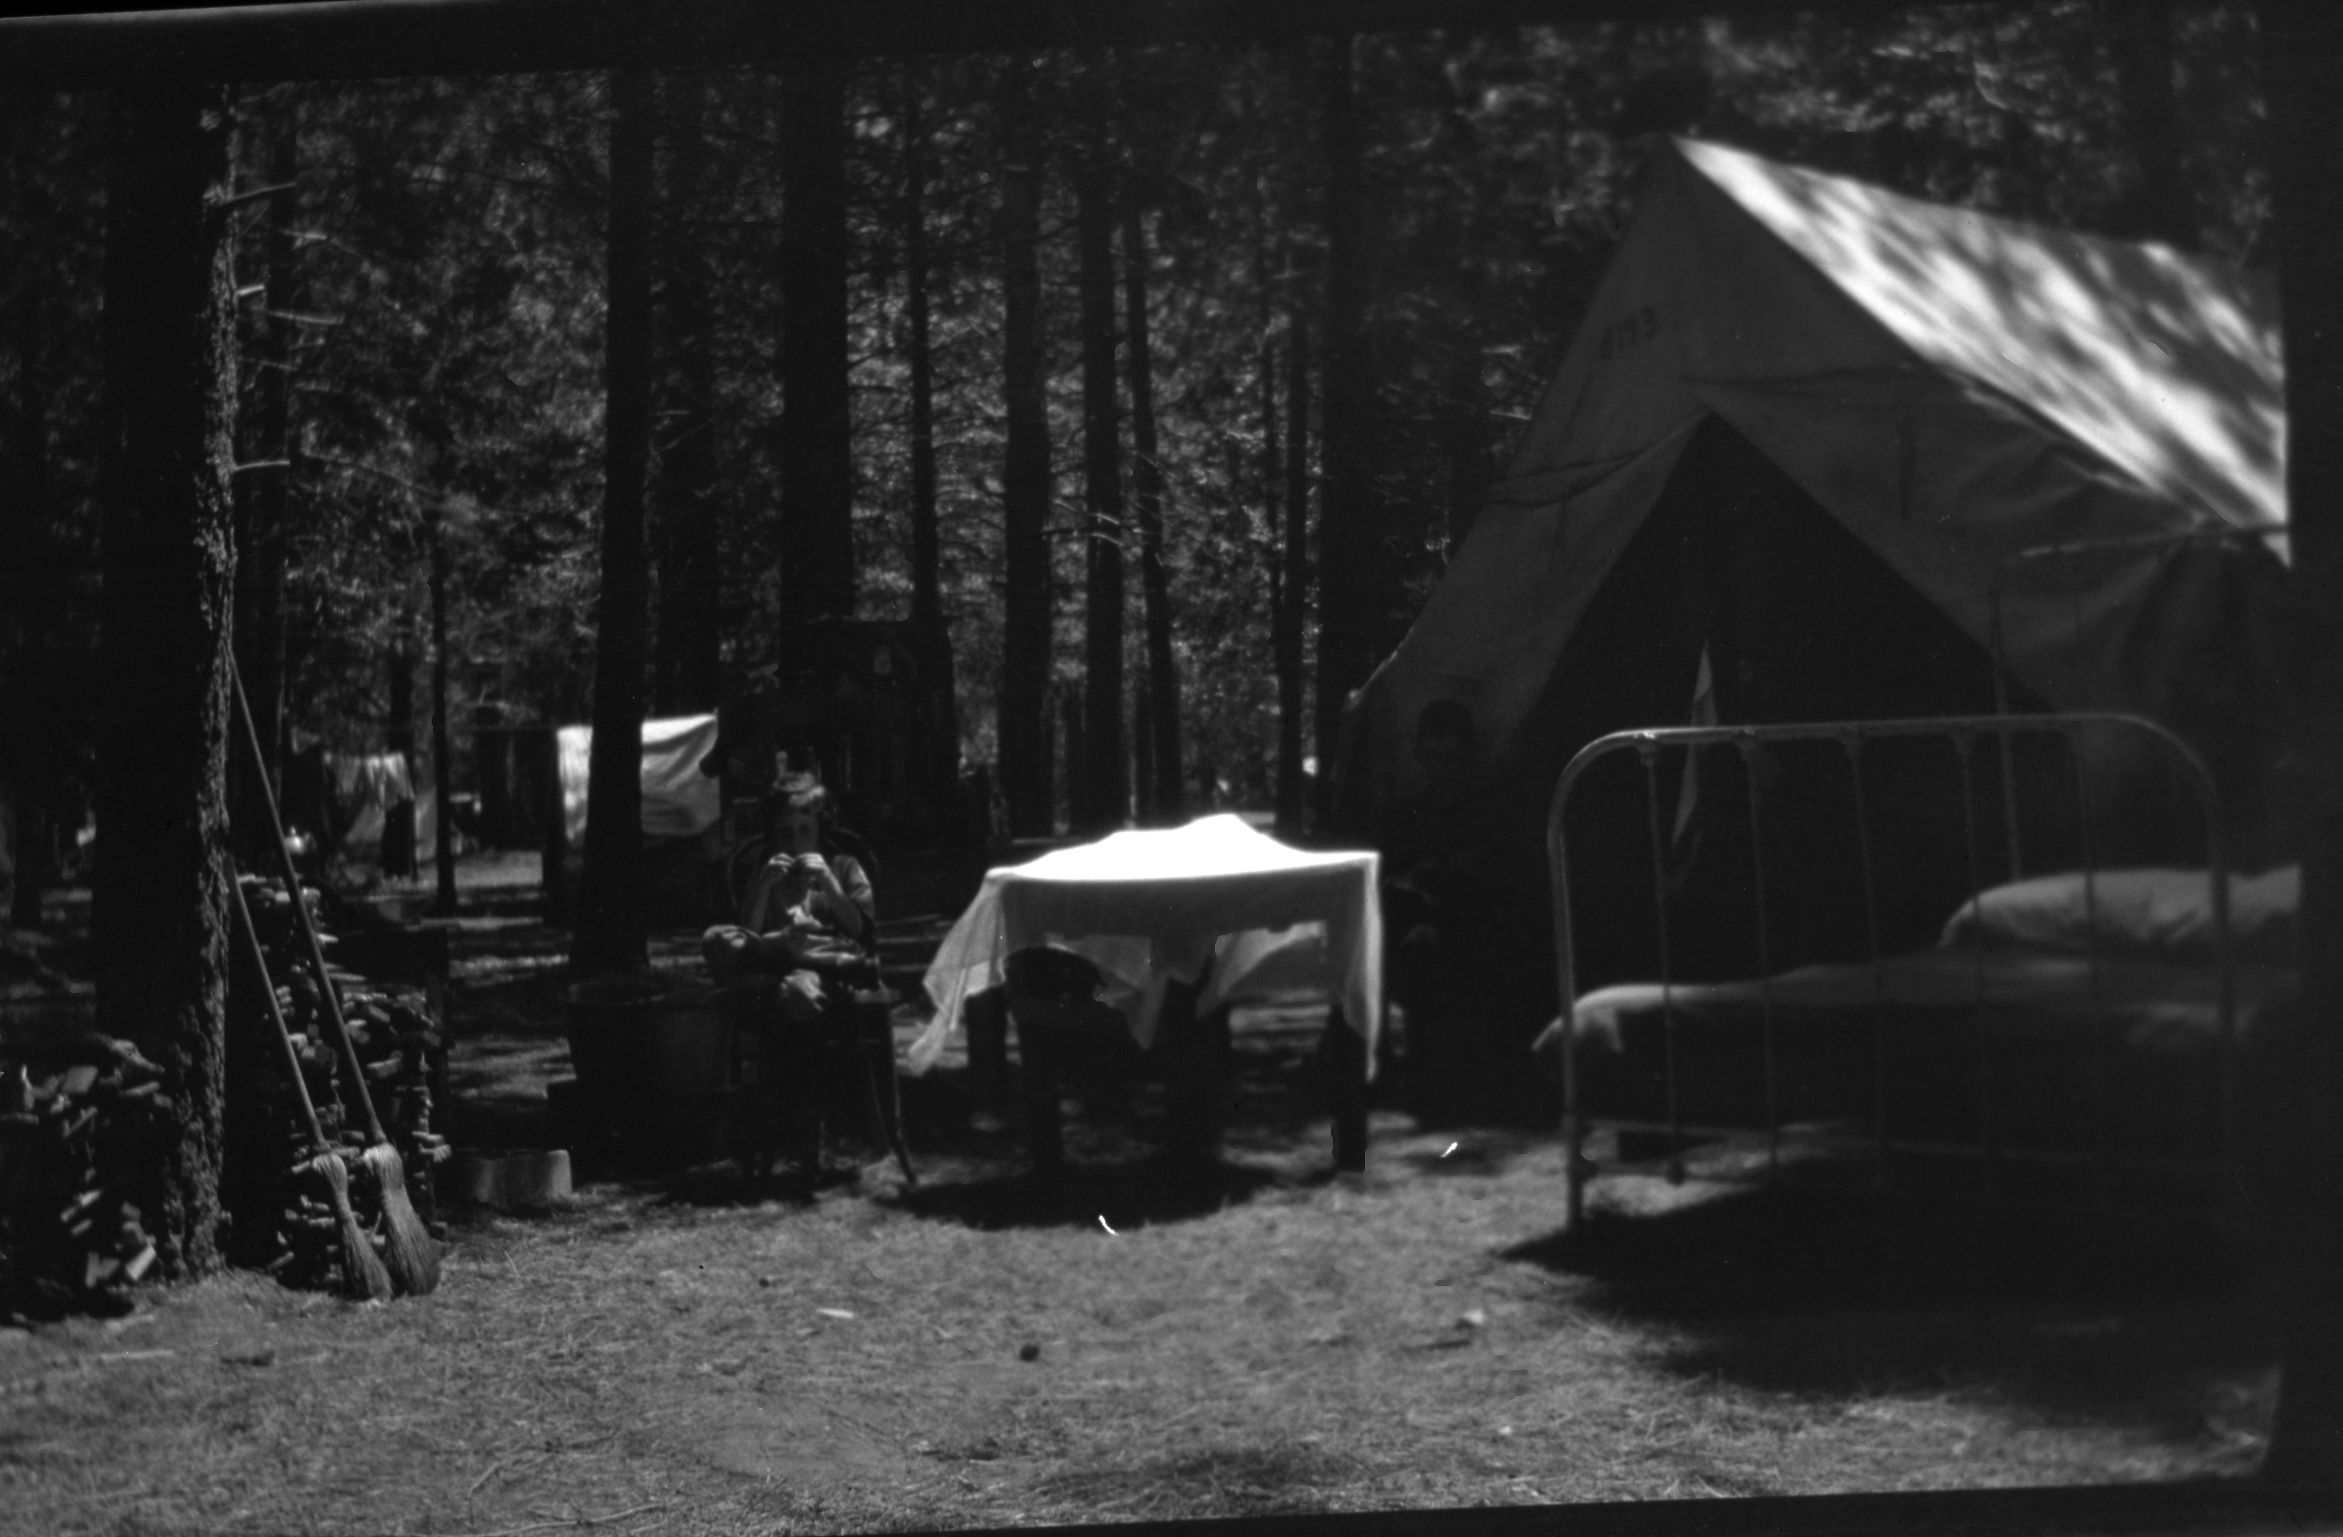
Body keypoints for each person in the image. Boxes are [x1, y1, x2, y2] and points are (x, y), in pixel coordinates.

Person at [701, 774, 877, 1180]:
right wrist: (763, 887)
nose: (795, 841)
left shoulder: (843, 867)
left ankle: (794, 1137)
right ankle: (777, 985)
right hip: (771, 962)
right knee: (717, 939)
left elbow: (860, 931)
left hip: (824, 970)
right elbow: (746, 934)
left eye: (805, 831)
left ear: (820, 830)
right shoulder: (766, 868)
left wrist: (829, 885)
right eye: (785, 832)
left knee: (797, 990)